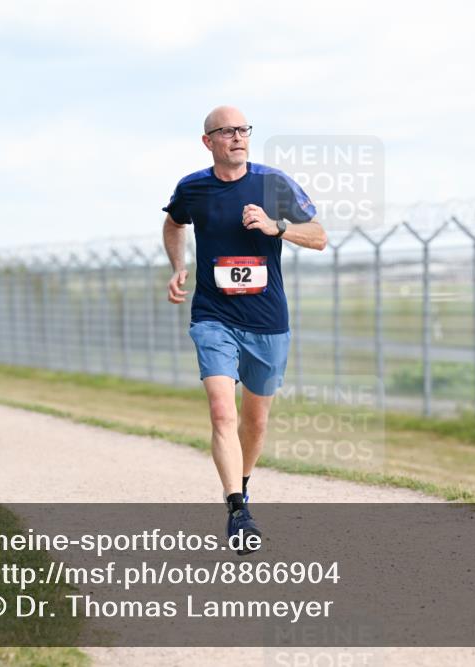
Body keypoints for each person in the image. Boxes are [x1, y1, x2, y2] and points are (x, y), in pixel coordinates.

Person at [162, 106, 327, 553]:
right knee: (222, 412)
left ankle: (243, 481)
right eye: (226, 131)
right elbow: (174, 222)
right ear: (208, 141)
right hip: (213, 316)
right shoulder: (193, 187)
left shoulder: (272, 184)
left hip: (267, 321)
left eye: (243, 130)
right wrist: (179, 265)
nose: (237, 137)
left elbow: (320, 235)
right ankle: (238, 510)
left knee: (255, 422)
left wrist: (278, 228)